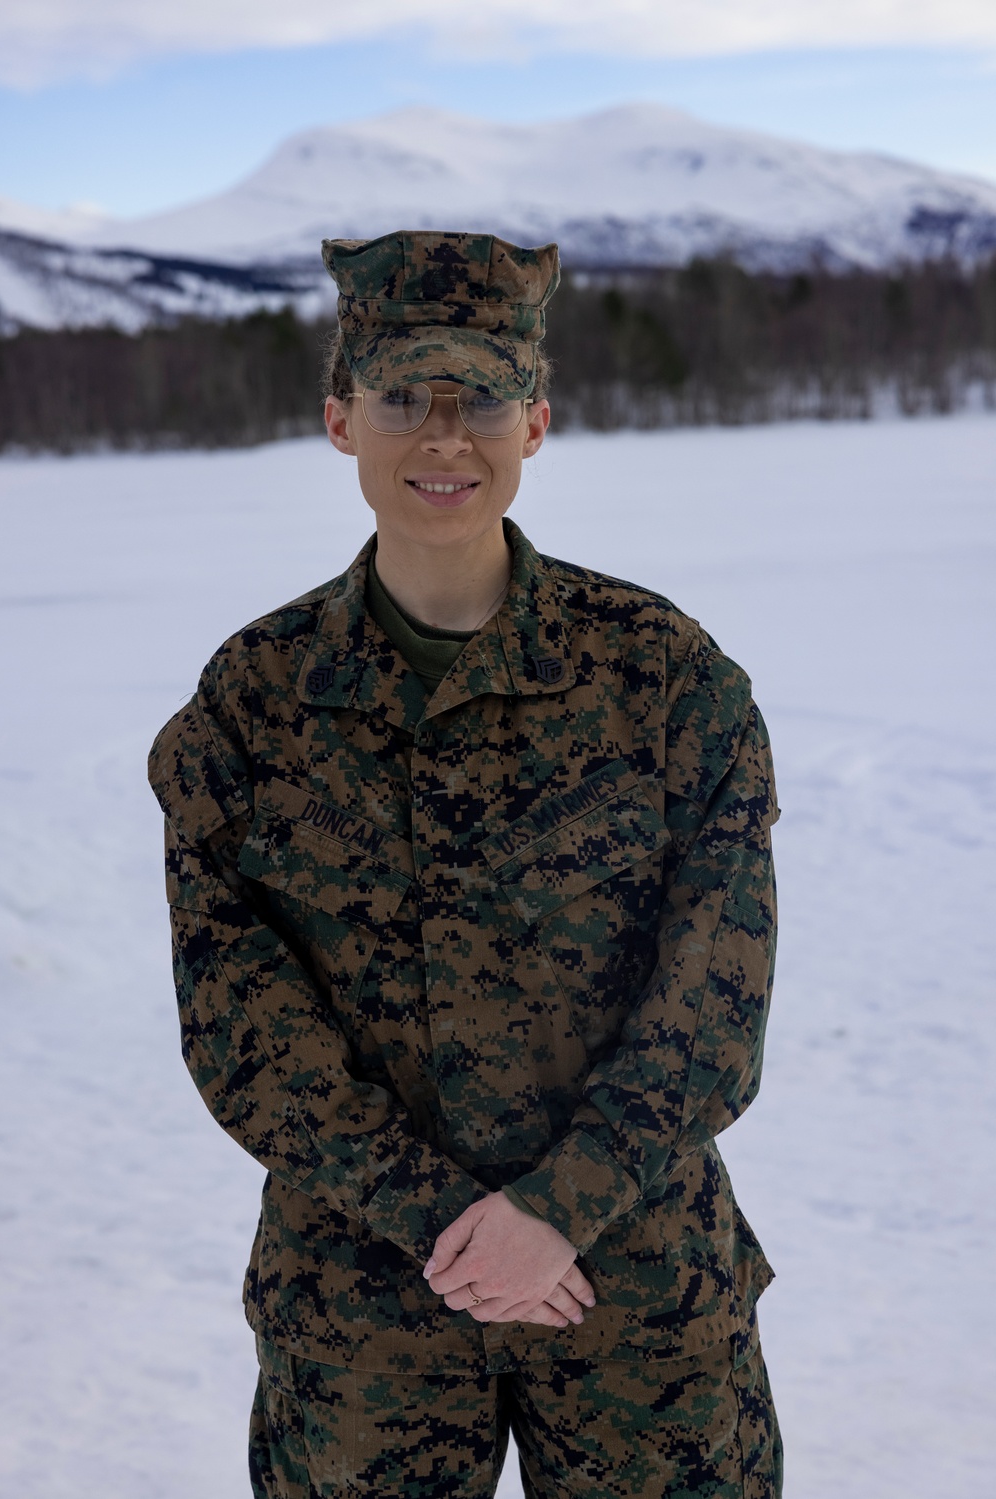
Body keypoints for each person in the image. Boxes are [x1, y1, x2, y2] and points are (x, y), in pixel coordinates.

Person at [148, 230, 782, 1498]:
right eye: (400, 397)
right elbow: (242, 1021)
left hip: (632, 1288)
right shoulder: (254, 702)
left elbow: (714, 996)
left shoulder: (659, 674)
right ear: (339, 418)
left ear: (536, 420)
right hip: (367, 1311)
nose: (444, 436)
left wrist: (559, 1203)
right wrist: (445, 1219)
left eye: (482, 397)